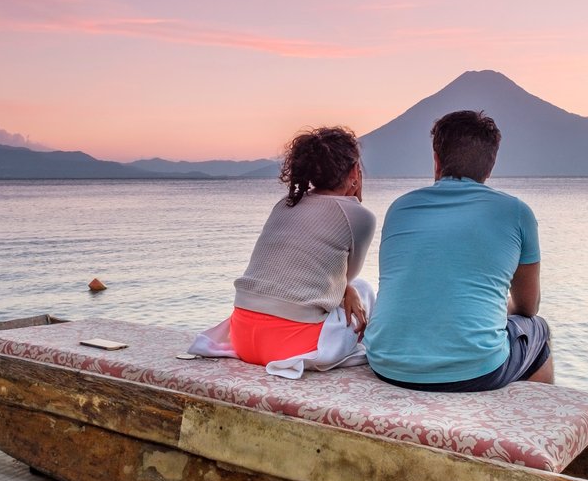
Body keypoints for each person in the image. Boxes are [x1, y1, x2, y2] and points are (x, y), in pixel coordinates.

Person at [364, 109, 553, 390]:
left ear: (437, 160)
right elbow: (527, 306)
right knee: (538, 328)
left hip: (386, 363)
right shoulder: (516, 212)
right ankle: (538, 425)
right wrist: (499, 312)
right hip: (475, 371)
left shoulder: (400, 208)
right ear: (490, 165)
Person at [227, 126, 378, 367]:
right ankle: (372, 350)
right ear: (355, 171)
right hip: (292, 347)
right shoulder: (359, 216)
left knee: (352, 289)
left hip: (241, 337)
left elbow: (336, 283)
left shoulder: (285, 204)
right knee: (363, 288)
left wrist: (345, 288)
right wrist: (355, 201)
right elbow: (346, 278)